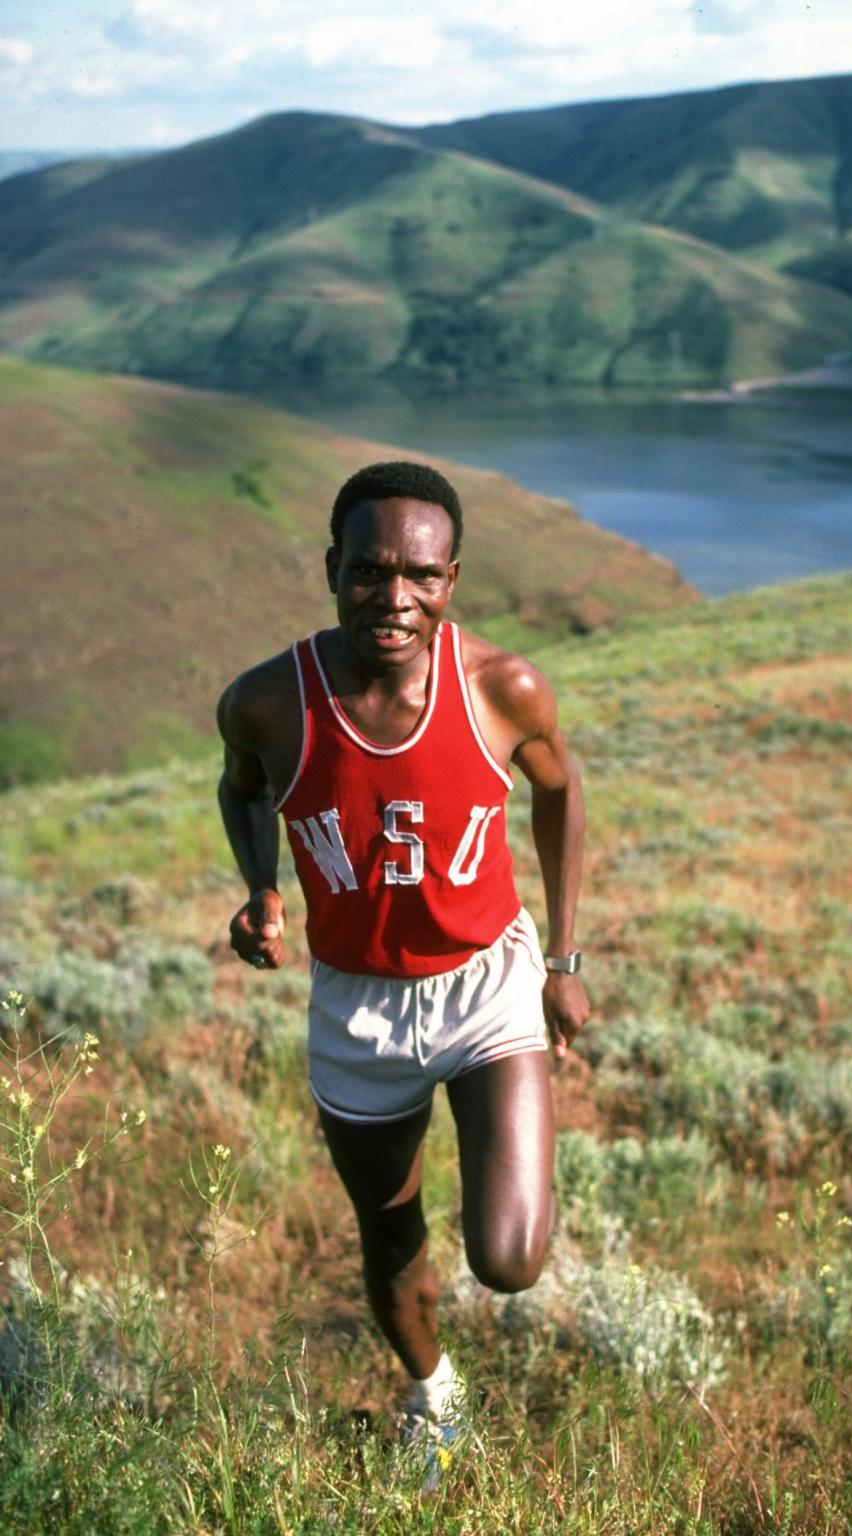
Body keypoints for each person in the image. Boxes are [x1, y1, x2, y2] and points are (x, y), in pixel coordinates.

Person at [216, 460, 590, 1458]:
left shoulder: (502, 689)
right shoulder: (267, 703)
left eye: (420, 575)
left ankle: (499, 1213)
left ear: (452, 576)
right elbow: (242, 791)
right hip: (357, 1011)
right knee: (391, 1246)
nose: (395, 597)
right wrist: (260, 887)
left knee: (508, 1258)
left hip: (487, 990)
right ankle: (434, 1394)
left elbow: (560, 791)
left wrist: (561, 961)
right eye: (370, 571)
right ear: (331, 568)